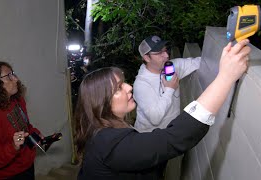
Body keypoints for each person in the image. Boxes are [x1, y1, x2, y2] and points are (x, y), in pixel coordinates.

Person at [74, 39, 251, 180]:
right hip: (156, 138)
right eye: (119, 88)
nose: (129, 88)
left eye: (124, 82)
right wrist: (226, 77)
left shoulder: (108, 132)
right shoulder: (111, 143)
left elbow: (198, 63)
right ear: (102, 103)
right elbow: (176, 137)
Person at [133, 35, 201, 132]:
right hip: (150, 137)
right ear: (146, 58)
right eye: (159, 53)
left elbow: (200, 62)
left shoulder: (171, 67)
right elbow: (155, 119)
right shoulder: (141, 85)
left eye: (165, 50)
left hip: (172, 131)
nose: (166, 55)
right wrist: (170, 89)